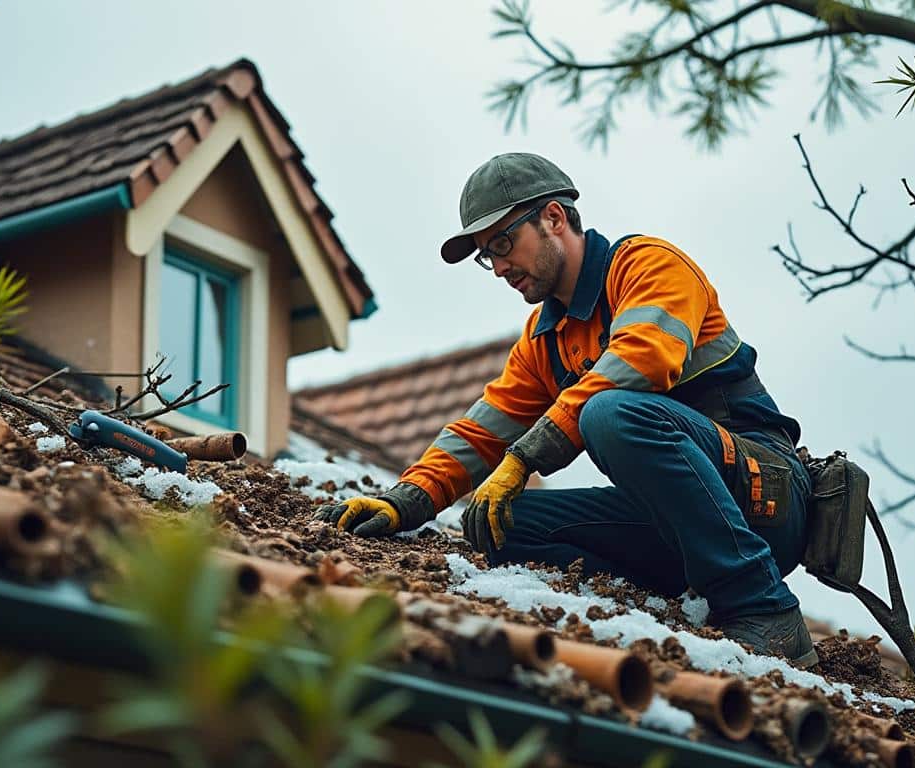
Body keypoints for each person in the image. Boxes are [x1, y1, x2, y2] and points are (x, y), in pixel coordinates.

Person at [314, 152, 818, 668]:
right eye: (488, 256)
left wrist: (526, 456)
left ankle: (766, 611)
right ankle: (676, 603)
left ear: (554, 218)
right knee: (495, 523)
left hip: (765, 499)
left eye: (504, 243)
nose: (499, 266)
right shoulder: (545, 338)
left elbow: (641, 360)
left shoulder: (648, 266)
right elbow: (481, 430)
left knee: (609, 413)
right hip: (669, 527)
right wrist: (407, 499)